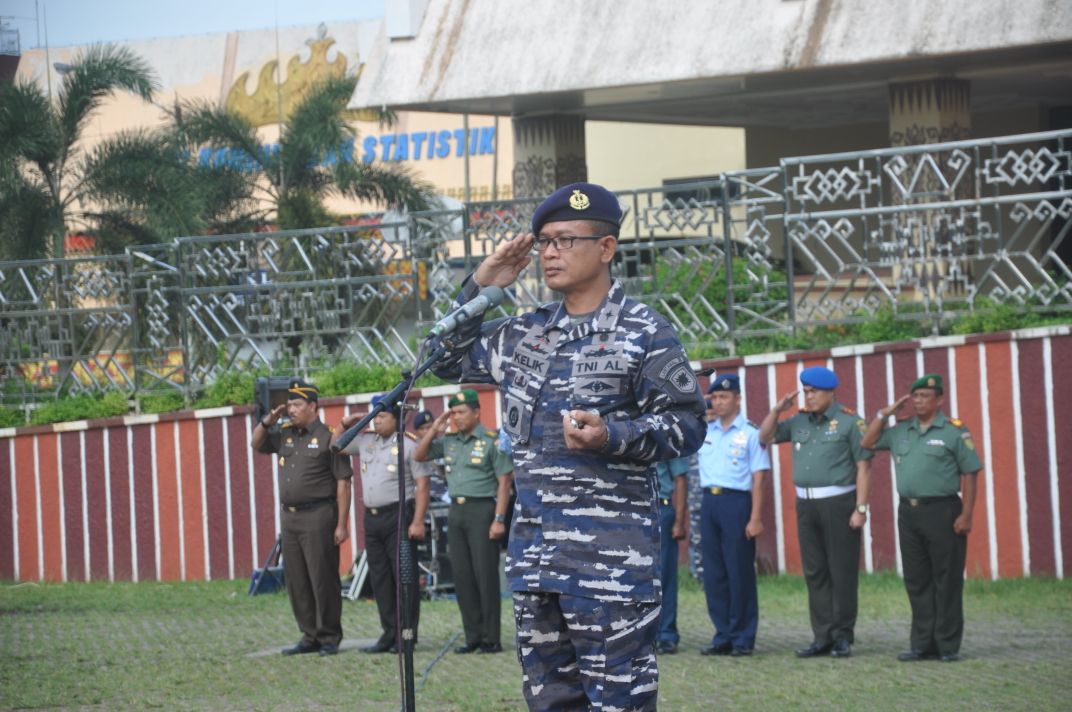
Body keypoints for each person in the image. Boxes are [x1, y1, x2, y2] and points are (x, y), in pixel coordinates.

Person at [428, 182, 707, 711]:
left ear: (606, 247)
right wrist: (482, 283)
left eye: (565, 240)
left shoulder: (644, 331)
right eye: (544, 242)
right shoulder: (523, 334)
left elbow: (688, 424)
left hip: (611, 568)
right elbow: (441, 358)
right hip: (537, 563)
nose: (550, 253)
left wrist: (612, 436)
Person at [860, 373, 981, 663]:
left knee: (946, 578)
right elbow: (867, 442)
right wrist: (884, 414)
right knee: (917, 579)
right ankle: (922, 644)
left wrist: (966, 514)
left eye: (925, 396)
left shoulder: (953, 431)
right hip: (909, 513)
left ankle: (947, 645)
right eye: (915, 396)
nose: (918, 401)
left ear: (940, 400)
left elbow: (970, 473)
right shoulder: (902, 430)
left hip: (943, 511)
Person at [759, 366, 871, 659]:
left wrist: (861, 508)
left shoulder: (850, 421)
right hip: (806, 504)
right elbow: (765, 436)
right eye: (806, 392)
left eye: (814, 392)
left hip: (839, 503)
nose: (808, 397)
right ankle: (822, 636)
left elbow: (864, 467)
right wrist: (777, 410)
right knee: (815, 572)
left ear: (830, 393)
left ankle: (842, 636)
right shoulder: (799, 421)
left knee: (842, 572)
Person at [251, 379, 351, 657]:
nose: (291, 410)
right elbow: (256, 443)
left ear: (313, 406)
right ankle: (309, 635)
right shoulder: (285, 434)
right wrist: (267, 422)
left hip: (319, 515)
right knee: (297, 579)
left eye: (296, 404)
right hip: (290, 517)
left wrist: (342, 524)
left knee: (322, 577)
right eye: (289, 405)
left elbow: (344, 483)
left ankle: (329, 636)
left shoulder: (330, 436)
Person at [414, 389, 514, 654]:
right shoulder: (449, 441)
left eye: (461, 412)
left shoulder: (491, 440)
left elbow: (505, 482)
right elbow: (419, 455)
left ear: (476, 412)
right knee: (462, 576)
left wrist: (499, 519)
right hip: (456, 511)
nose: (456, 417)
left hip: (482, 510)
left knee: (485, 575)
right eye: (453, 413)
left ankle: (491, 638)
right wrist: (435, 427)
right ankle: (473, 636)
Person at [332, 396, 430, 655]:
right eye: (375, 416)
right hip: (372, 517)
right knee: (380, 578)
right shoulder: (366, 441)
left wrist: (418, 521)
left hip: (399, 515)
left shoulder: (409, 444)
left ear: (396, 418)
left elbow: (423, 486)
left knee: (403, 577)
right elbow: (336, 446)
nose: (377, 421)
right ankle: (389, 633)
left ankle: (406, 635)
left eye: (382, 416)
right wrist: (345, 424)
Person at [698, 374, 771, 657]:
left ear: (738, 399)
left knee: (739, 571)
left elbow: (759, 478)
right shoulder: (706, 432)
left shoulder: (751, 433)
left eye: (724, 397)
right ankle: (723, 635)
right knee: (714, 573)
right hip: (709, 502)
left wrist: (755, 517)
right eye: (715, 397)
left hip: (737, 503)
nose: (718, 402)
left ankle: (742, 637)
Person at [654, 456, 689, 655]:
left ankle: (666, 634)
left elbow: (681, 478)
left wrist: (679, 521)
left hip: (662, 508)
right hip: (634, 510)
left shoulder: (667, 440)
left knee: (665, 575)